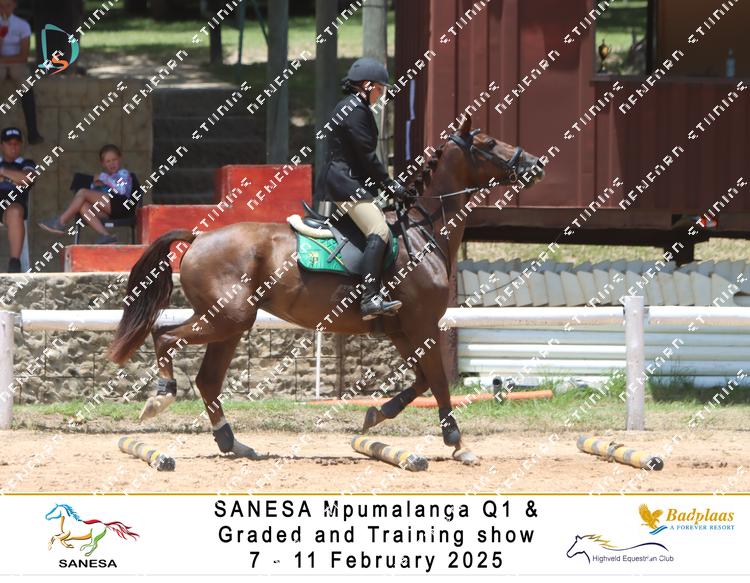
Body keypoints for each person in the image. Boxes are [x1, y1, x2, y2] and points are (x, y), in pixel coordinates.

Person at [318, 57, 409, 320]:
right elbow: (367, 157)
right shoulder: (355, 110)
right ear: (367, 85)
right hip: (345, 183)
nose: (381, 95)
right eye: (379, 89)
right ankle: (369, 298)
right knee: (379, 230)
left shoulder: (353, 107)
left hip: (347, 181)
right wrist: (389, 185)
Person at [39, 144, 134, 244]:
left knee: (83, 192)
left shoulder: (123, 173)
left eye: (114, 160)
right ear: (103, 164)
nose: (112, 163)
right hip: (110, 210)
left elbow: (122, 190)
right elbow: (100, 195)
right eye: (108, 161)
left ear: (120, 158)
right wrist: (95, 185)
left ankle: (60, 222)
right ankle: (106, 236)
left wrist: (104, 178)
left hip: (122, 206)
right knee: (83, 206)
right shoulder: (106, 178)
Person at [0, 0, 43, 144]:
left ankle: (33, 132)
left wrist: (4, 60)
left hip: (16, 62)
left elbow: (23, 56)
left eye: (7, 5)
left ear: (14, 6)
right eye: (1, 6)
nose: (4, 9)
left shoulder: (22, 25)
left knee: (25, 82)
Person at [0, 127, 35, 272]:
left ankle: (14, 264)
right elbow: (21, 179)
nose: (13, 147)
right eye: (9, 143)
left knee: (14, 212)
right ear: (2, 145)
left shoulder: (26, 163)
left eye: (16, 143)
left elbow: (28, 178)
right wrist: (14, 179)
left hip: (14, 204)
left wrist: (2, 173)